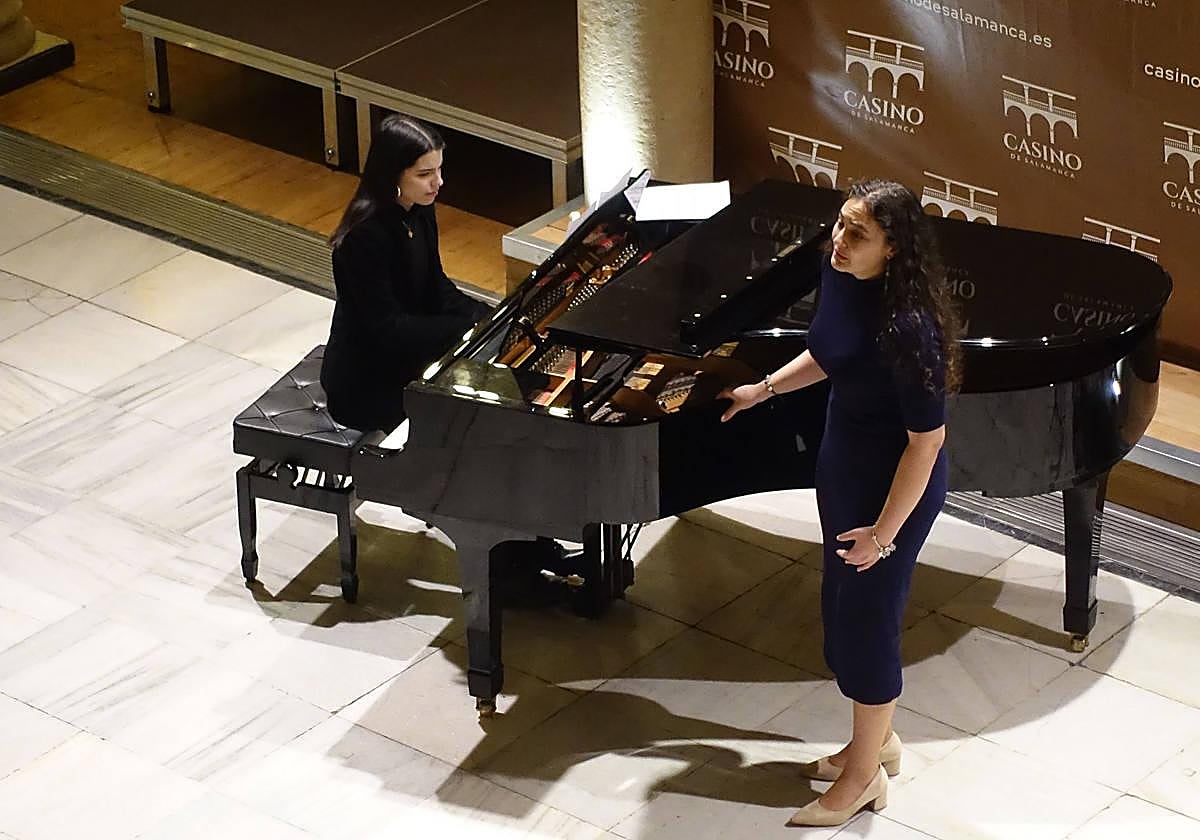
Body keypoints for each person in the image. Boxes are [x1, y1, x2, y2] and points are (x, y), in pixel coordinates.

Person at [720, 179, 962, 828]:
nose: (840, 240)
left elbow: (927, 443)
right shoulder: (842, 279)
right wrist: (763, 390)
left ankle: (863, 780)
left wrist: (884, 534)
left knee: (866, 621)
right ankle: (875, 741)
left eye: (859, 234)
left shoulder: (912, 329)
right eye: (841, 224)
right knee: (839, 608)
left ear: (893, 249)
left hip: (892, 488)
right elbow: (831, 355)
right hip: (843, 462)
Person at [320, 114, 490, 433]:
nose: (438, 183)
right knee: (458, 419)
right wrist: (463, 328)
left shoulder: (419, 208)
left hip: (404, 352)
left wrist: (486, 318)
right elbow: (387, 329)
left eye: (439, 169)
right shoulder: (362, 237)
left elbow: (435, 285)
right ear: (392, 174)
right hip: (366, 379)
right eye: (425, 173)